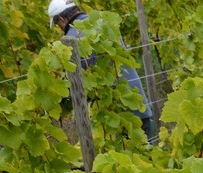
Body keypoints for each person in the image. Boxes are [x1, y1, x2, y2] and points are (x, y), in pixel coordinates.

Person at [47, 0, 157, 145]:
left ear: (62, 20)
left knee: (123, 160)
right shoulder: (104, 22)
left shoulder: (73, 38)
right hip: (136, 99)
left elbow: (79, 82)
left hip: (112, 114)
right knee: (146, 156)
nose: (60, 28)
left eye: (57, 25)